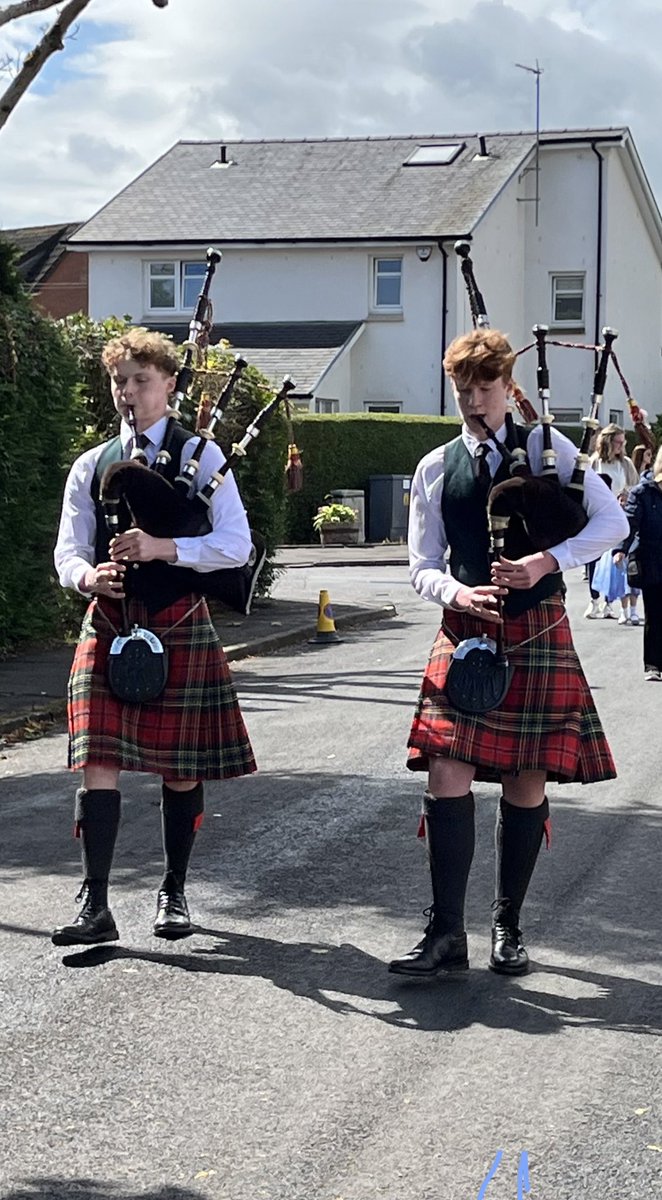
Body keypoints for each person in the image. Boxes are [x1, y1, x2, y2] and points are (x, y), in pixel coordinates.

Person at [389, 329, 628, 979]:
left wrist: (548, 560)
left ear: (508, 388)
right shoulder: (436, 467)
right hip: (465, 632)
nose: (473, 401)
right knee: (446, 773)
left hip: (536, 629)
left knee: (526, 778)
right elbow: (420, 565)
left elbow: (613, 524)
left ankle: (508, 926)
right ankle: (444, 932)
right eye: (462, 391)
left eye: (484, 389)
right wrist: (458, 592)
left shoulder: (549, 450)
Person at [52, 328, 257, 946]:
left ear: (169, 384)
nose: (128, 392)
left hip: (178, 623)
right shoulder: (91, 465)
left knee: (180, 768)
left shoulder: (205, 459)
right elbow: (65, 552)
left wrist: (166, 547)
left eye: (141, 380)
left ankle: (174, 890)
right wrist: (92, 575)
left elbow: (237, 545)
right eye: (120, 381)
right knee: (96, 759)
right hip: (111, 623)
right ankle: (96, 903)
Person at [614, 445, 662, 681]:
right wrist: (620, 550)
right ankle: (653, 664)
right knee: (654, 613)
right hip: (651, 559)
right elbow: (629, 524)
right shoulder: (642, 493)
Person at [584, 425, 639, 620]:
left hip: (618, 514)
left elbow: (634, 486)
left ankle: (609, 602)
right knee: (594, 557)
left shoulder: (624, 463)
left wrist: (625, 495)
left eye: (623, 442)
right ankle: (594, 600)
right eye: (618, 442)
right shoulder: (594, 462)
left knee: (614, 557)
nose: (621, 446)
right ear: (607, 442)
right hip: (597, 513)